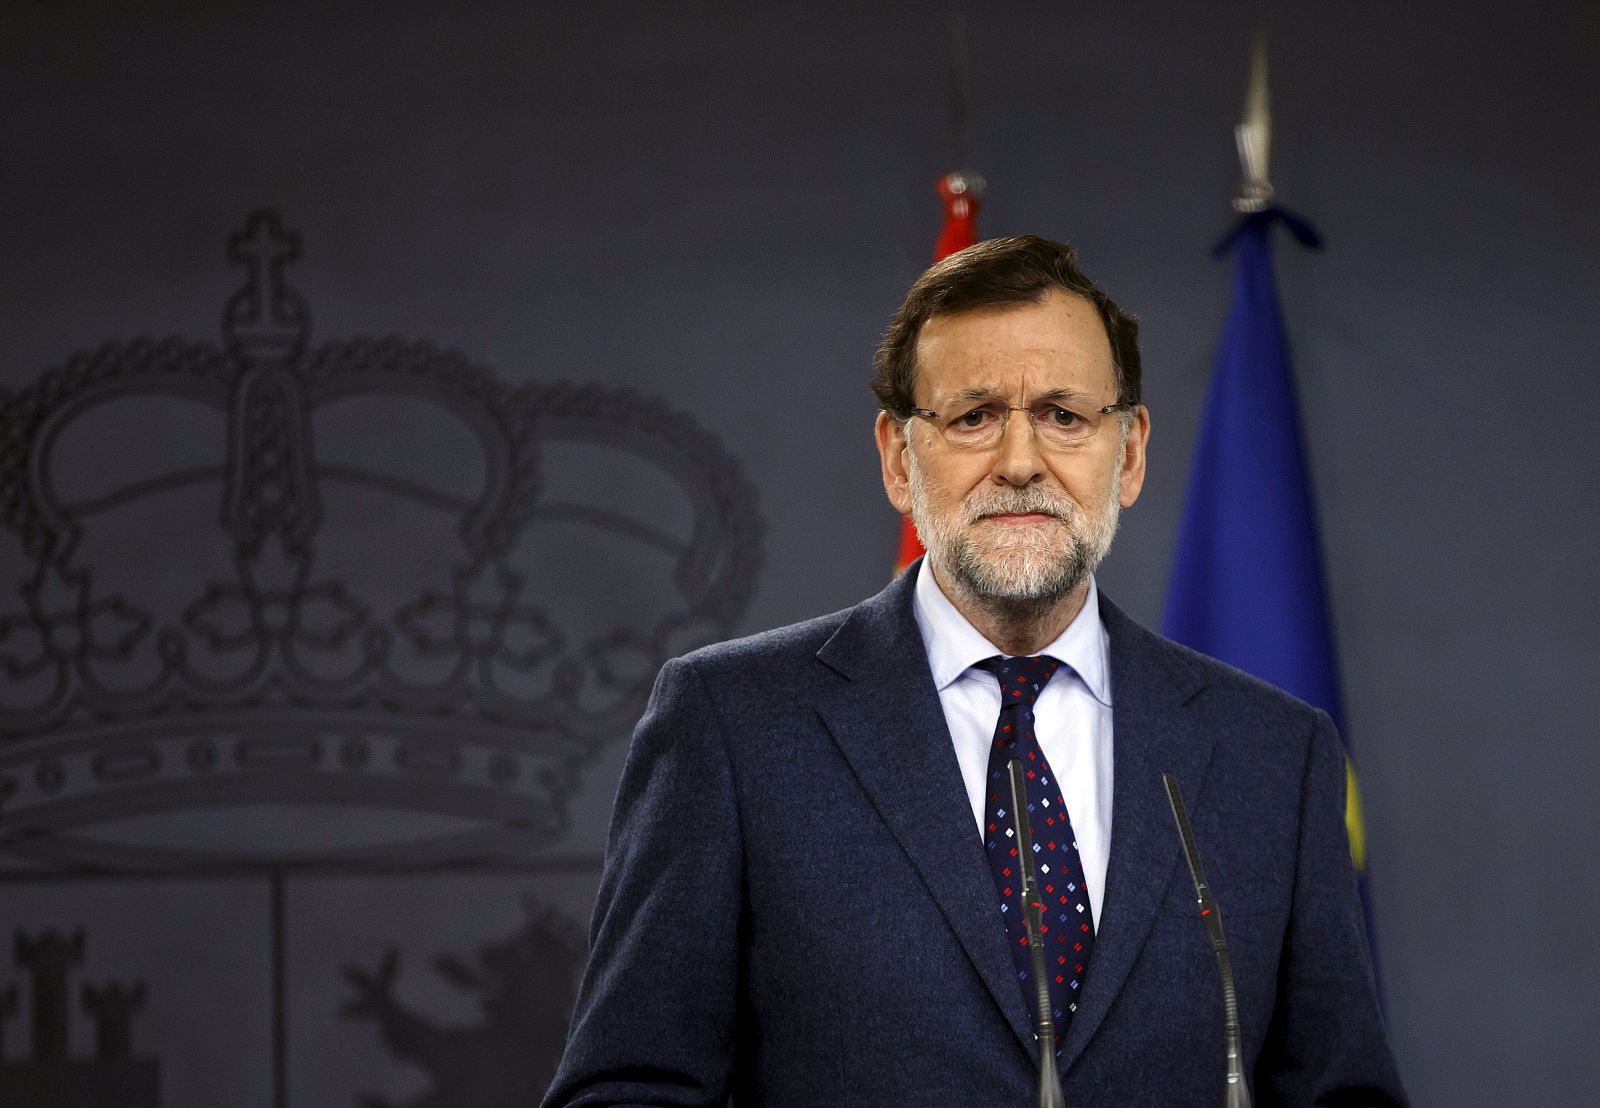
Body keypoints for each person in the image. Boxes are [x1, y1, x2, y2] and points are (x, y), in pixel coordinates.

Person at [543, 236, 1406, 1107]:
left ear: (1131, 452)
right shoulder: (732, 725)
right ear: (897, 457)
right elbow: (627, 1091)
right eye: (974, 416)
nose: (1022, 461)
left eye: (1065, 415)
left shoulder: (1274, 754)